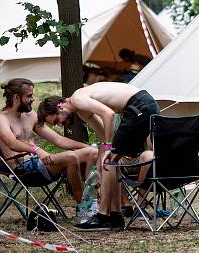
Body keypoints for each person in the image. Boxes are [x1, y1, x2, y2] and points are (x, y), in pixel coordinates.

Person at [37, 82, 157, 231]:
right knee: (108, 160)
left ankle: (103, 216)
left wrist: (107, 148)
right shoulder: (82, 112)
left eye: (56, 120)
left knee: (109, 159)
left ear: (60, 107)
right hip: (141, 106)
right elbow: (106, 135)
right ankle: (115, 216)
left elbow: (109, 114)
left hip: (139, 106)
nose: (60, 125)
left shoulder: (77, 98)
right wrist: (104, 151)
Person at [0, 79, 97, 206]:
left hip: (41, 164)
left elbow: (58, 140)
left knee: (92, 152)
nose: (33, 99)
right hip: (22, 170)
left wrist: (87, 146)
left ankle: (95, 203)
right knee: (71, 156)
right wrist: (37, 150)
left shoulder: (30, 115)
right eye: (29, 96)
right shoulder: (1, 120)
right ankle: (84, 208)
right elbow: (12, 143)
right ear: (16, 97)